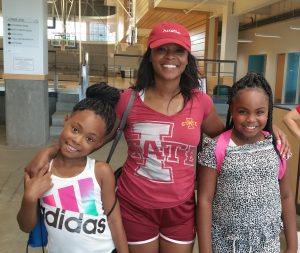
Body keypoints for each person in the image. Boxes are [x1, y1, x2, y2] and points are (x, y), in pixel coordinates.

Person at [25, 23, 290, 253]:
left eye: (178, 50)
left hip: (181, 209)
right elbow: (93, 140)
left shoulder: (200, 102)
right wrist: (49, 152)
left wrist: (267, 131)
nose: (170, 56)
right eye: (162, 49)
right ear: (150, 55)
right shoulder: (128, 100)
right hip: (135, 206)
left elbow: (228, 135)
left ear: (187, 58)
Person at [17, 83, 129, 253]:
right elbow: (25, 226)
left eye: (89, 139)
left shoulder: (100, 172)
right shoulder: (42, 170)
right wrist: (30, 197)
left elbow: (114, 220)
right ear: (66, 119)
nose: (77, 140)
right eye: (75, 129)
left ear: (99, 143)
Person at [197, 72, 297, 253]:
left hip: (267, 245)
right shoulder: (216, 148)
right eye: (242, 111)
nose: (251, 119)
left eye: (259, 112)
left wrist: (292, 245)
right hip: (227, 245)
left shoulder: (276, 146)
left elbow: (286, 196)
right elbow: (205, 200)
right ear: (232, 110)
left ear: (269, 112)